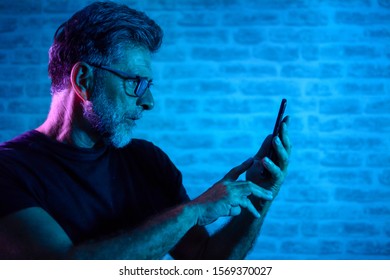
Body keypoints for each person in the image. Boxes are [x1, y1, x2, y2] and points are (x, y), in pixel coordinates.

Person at [0, 1, 291, 260]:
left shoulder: (147, 162)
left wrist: (260, 194)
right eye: (135, 83)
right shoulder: (9, 170)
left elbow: (206, 263)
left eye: (148, 86)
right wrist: (193, 212)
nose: (148, 102)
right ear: (84, 80)